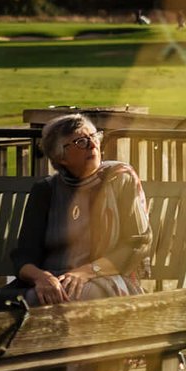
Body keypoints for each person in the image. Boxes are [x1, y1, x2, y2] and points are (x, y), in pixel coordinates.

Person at [8, 114, 152, 305]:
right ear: (62, 157)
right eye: (81, 141)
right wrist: (41, 278)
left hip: (106, 278)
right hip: (53, 281)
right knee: (1, 304)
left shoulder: (119, 179)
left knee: (64, 298)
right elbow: (24, 256)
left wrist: (85, 272)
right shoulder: (45, 190)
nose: (93, 145)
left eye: (94, 136)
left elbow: (138, 245)